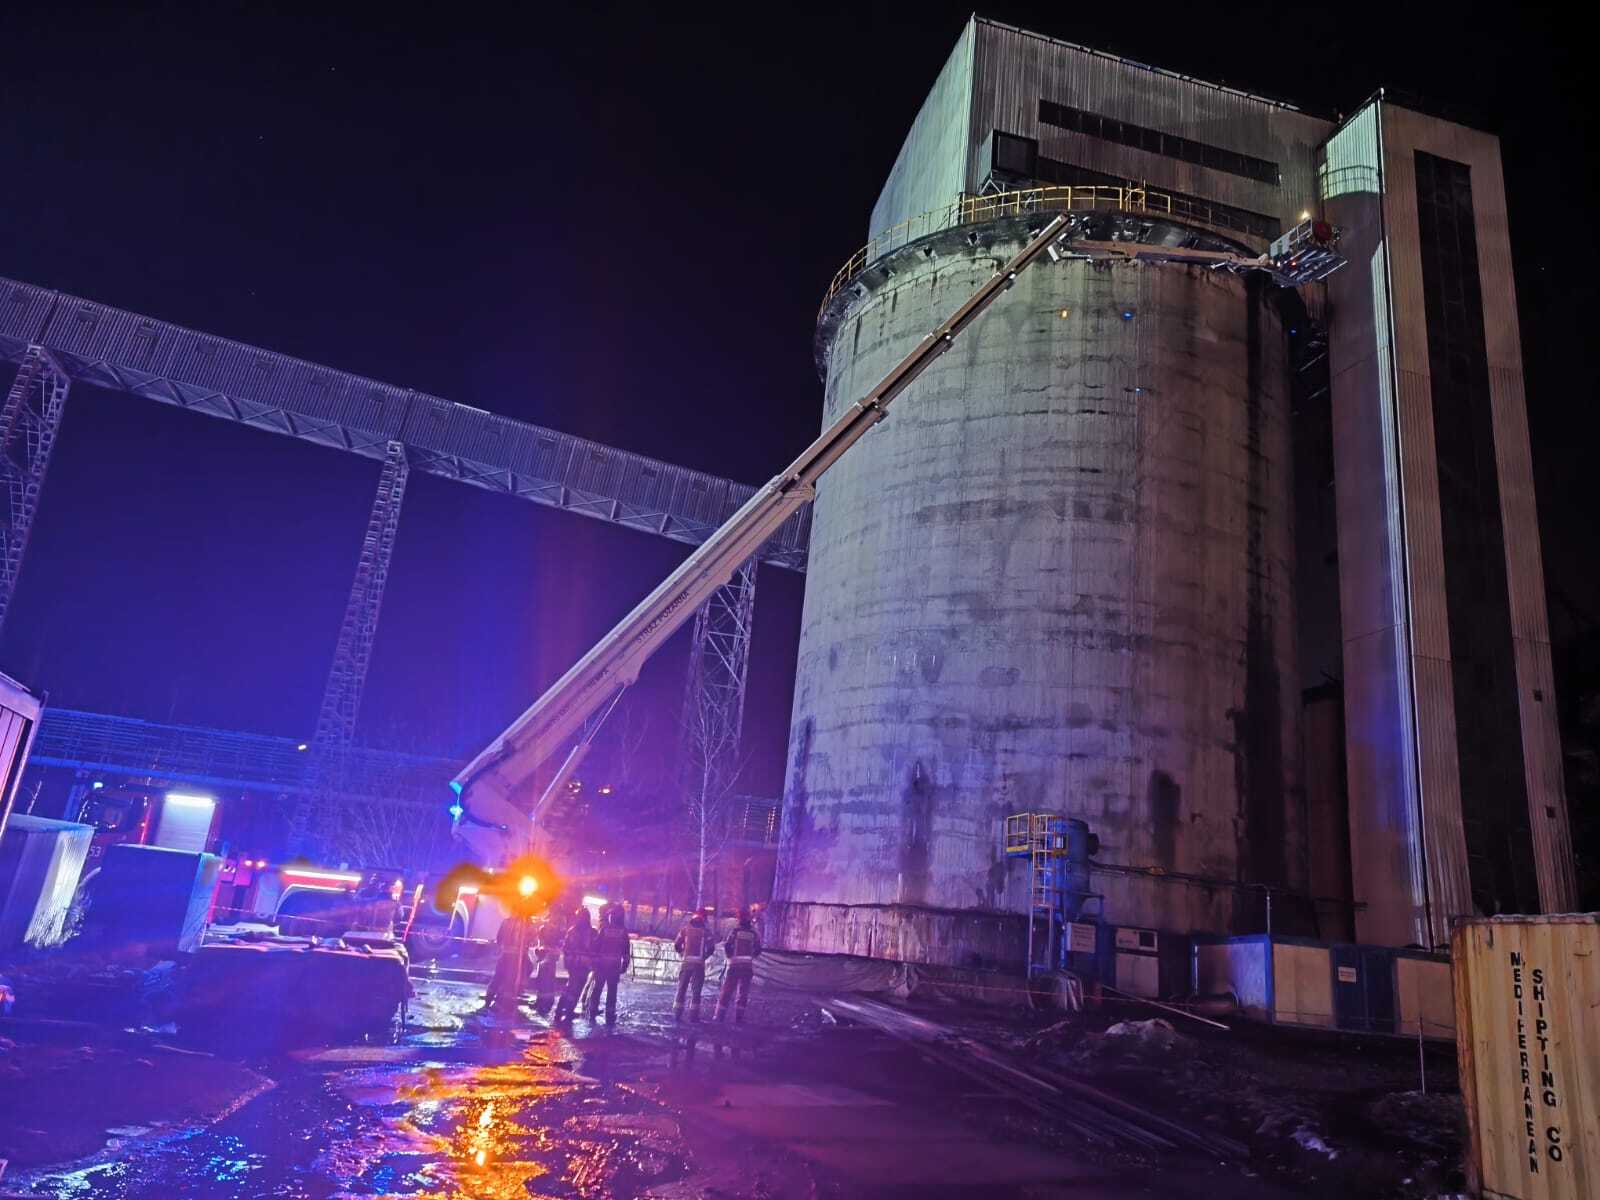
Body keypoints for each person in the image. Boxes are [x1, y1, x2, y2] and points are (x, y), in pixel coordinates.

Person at [713, 906, 761, 1023]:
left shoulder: (735, 931)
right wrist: (750, 956)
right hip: (747, 968)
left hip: (734, 966)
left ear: (740, 919)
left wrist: (730, 957)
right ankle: (739, 1018)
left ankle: (719, 1016)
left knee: (726, 991)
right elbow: (758, 949)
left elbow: (727, 945)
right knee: (743, 993)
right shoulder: (754, 933)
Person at [587, 906, 632, 1024]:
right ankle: (610, 1014)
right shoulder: (623, 932)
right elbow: (626, 950)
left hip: (602, 965)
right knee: (612, 991)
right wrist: (625, 964)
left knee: (597, 988)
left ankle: (592, 1011)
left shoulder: (604, 929)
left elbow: (596, 946)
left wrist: (593, 962)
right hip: (614, 966)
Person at [552, 906, 596, 1023]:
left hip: (575, 964)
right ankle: (567, 1011)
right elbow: (595, 949)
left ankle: (560, 1011)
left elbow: (566, 948)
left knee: (570, 987)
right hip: (582, 965)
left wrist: (570, 960)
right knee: (575, 989)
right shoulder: (591, 932)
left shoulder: (572, 931)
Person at [484, 911, 532, 1013]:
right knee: (511, 980)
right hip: (517, 957)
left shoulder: (506, 922)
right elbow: (531, 939)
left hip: (505, 954)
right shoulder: (525, 924)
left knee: (498, 977)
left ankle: (488, 1001)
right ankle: (504, 1003)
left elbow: (499, 938)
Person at [672, 907, 715, 1022]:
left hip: (686, 964)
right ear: (704, 918)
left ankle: (677, 1014)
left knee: (682, 988)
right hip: (699, 966)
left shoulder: (685, 929)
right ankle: (693, 1016)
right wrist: (704, 957)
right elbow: (711, 948)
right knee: (696, 991)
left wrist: (683, 954)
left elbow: (676, 945)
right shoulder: (706, 932)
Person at [530, 910, 563, 1015]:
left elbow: (557, 945)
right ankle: (541, 1001)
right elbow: (541, 944)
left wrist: (544, 952)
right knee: (543, 980)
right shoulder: (545, 929)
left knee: (546, 981)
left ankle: (545, 1003)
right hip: (545, 957)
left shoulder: (554, 930)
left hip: (548, 958)